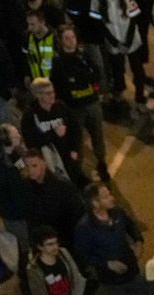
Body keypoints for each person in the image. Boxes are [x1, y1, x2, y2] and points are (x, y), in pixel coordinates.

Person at [73, 182, 147, 295]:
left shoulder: (117, 212)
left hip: (133, 271)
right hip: (112, 281)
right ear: (95, 203)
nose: (112, 198)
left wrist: (139, 243)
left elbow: (132, 227)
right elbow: (83, 256)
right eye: (106, 196)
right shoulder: (84, 228)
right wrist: (107, 264)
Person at [51, 24, 109, 182]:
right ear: (61, 41)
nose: (70, 41)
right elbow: (59, 86)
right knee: (77, 141)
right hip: (74, 109)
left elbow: (96, 74)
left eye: (73, 37)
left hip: (92, 104)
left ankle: (102, 163)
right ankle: (78, 171)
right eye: (66, 38)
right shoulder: (58, 62)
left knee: (98, 136)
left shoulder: (84, 56)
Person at [21, 78, 85, 185]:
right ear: (38, 95)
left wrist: (75, 149)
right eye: (48, 93)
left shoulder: (61, 106)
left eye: (53, 91)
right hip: (49, 162)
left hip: (68, 157)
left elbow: (76, 129)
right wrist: (54, 134)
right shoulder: (30, 115)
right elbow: (31, 142)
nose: (52, 95)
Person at [22, 149, 85, 248]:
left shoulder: (62, 186)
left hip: (66, 239)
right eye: (27, 166)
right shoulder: (27, 187)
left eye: (34, 166)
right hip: (45, 243)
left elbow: (77, 213)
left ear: (44, 164)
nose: (31, 170)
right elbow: (31, 218)